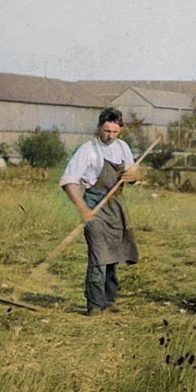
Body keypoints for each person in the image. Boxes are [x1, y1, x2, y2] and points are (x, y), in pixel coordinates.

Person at [60, 108, 140, 315]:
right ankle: (95, 306)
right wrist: (83, 209)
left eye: (114, 132)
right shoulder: (88, 150)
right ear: (98, 128)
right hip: (94, 205)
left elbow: (133, 173)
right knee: (98, 257)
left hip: (116, 207)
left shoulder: (122, 147)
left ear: (120, 129)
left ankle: (109, 301)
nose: (110, 136)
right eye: (106, 131)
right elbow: (69, 181)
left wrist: (134, 176)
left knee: (114, 255)